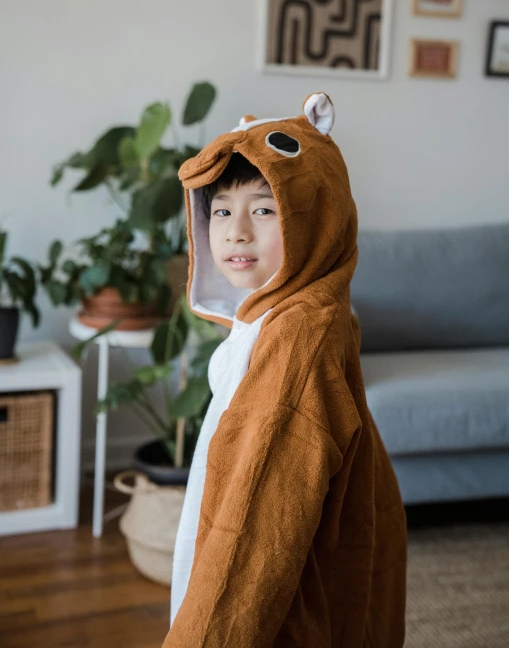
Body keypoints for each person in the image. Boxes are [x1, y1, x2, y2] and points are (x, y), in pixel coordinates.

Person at [162, 92, 407, 648]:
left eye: (264, 208)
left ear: (317, 215)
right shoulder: (282, 316)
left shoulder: (299, 337)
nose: (235, 231)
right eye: (221, 210)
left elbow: (253, 530)